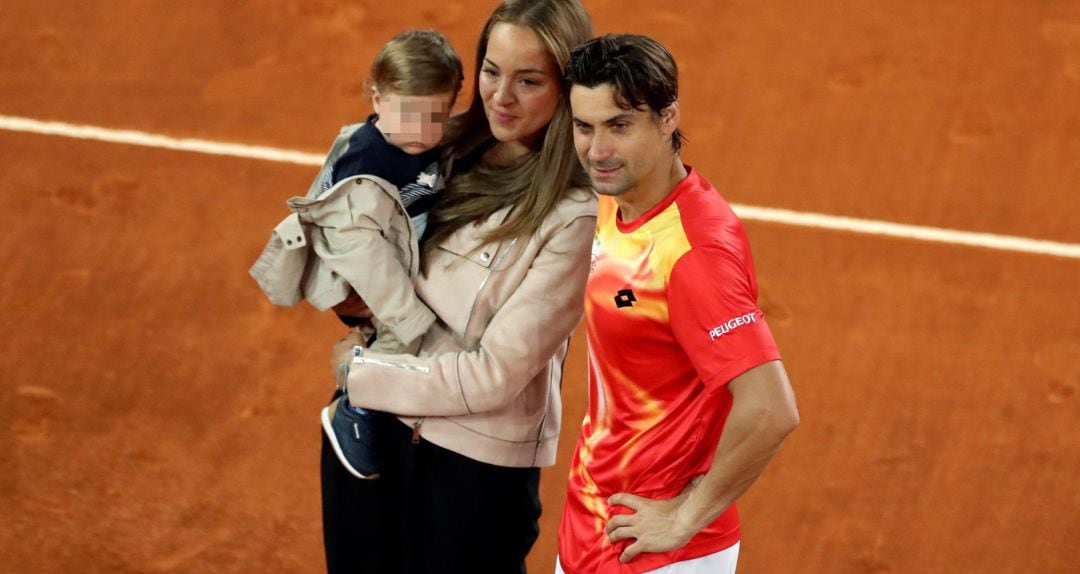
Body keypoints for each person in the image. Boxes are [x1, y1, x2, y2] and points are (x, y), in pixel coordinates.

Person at [322, 1, 595, 573]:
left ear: (567, 88)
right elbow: (360, 255)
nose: (502, 96)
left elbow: (493, 374)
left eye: (529, 80)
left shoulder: (574, 215)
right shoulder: (437, 148)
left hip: (470, 477)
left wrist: (364, 373)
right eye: (492, 71)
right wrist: (353, 302)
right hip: (373, 436)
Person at [556, 34, 800, 574]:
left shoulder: (692, 255)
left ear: (668, 119)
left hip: (658, 551)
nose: (597, 149)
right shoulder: (618, 194)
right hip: (596, 523)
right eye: (584, 126)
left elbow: (771, 407)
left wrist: (685, 517)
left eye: (619, 126)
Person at [249, 29, 463, 480]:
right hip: (354, 270)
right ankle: (357, 408)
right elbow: (366, 261)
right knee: (407, 336)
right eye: (411, 116)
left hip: (389, 244)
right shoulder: (365, 168)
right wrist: (408, 319)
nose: (424, 133)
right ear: (377, 97)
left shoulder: (412, 136)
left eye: (437, 118)